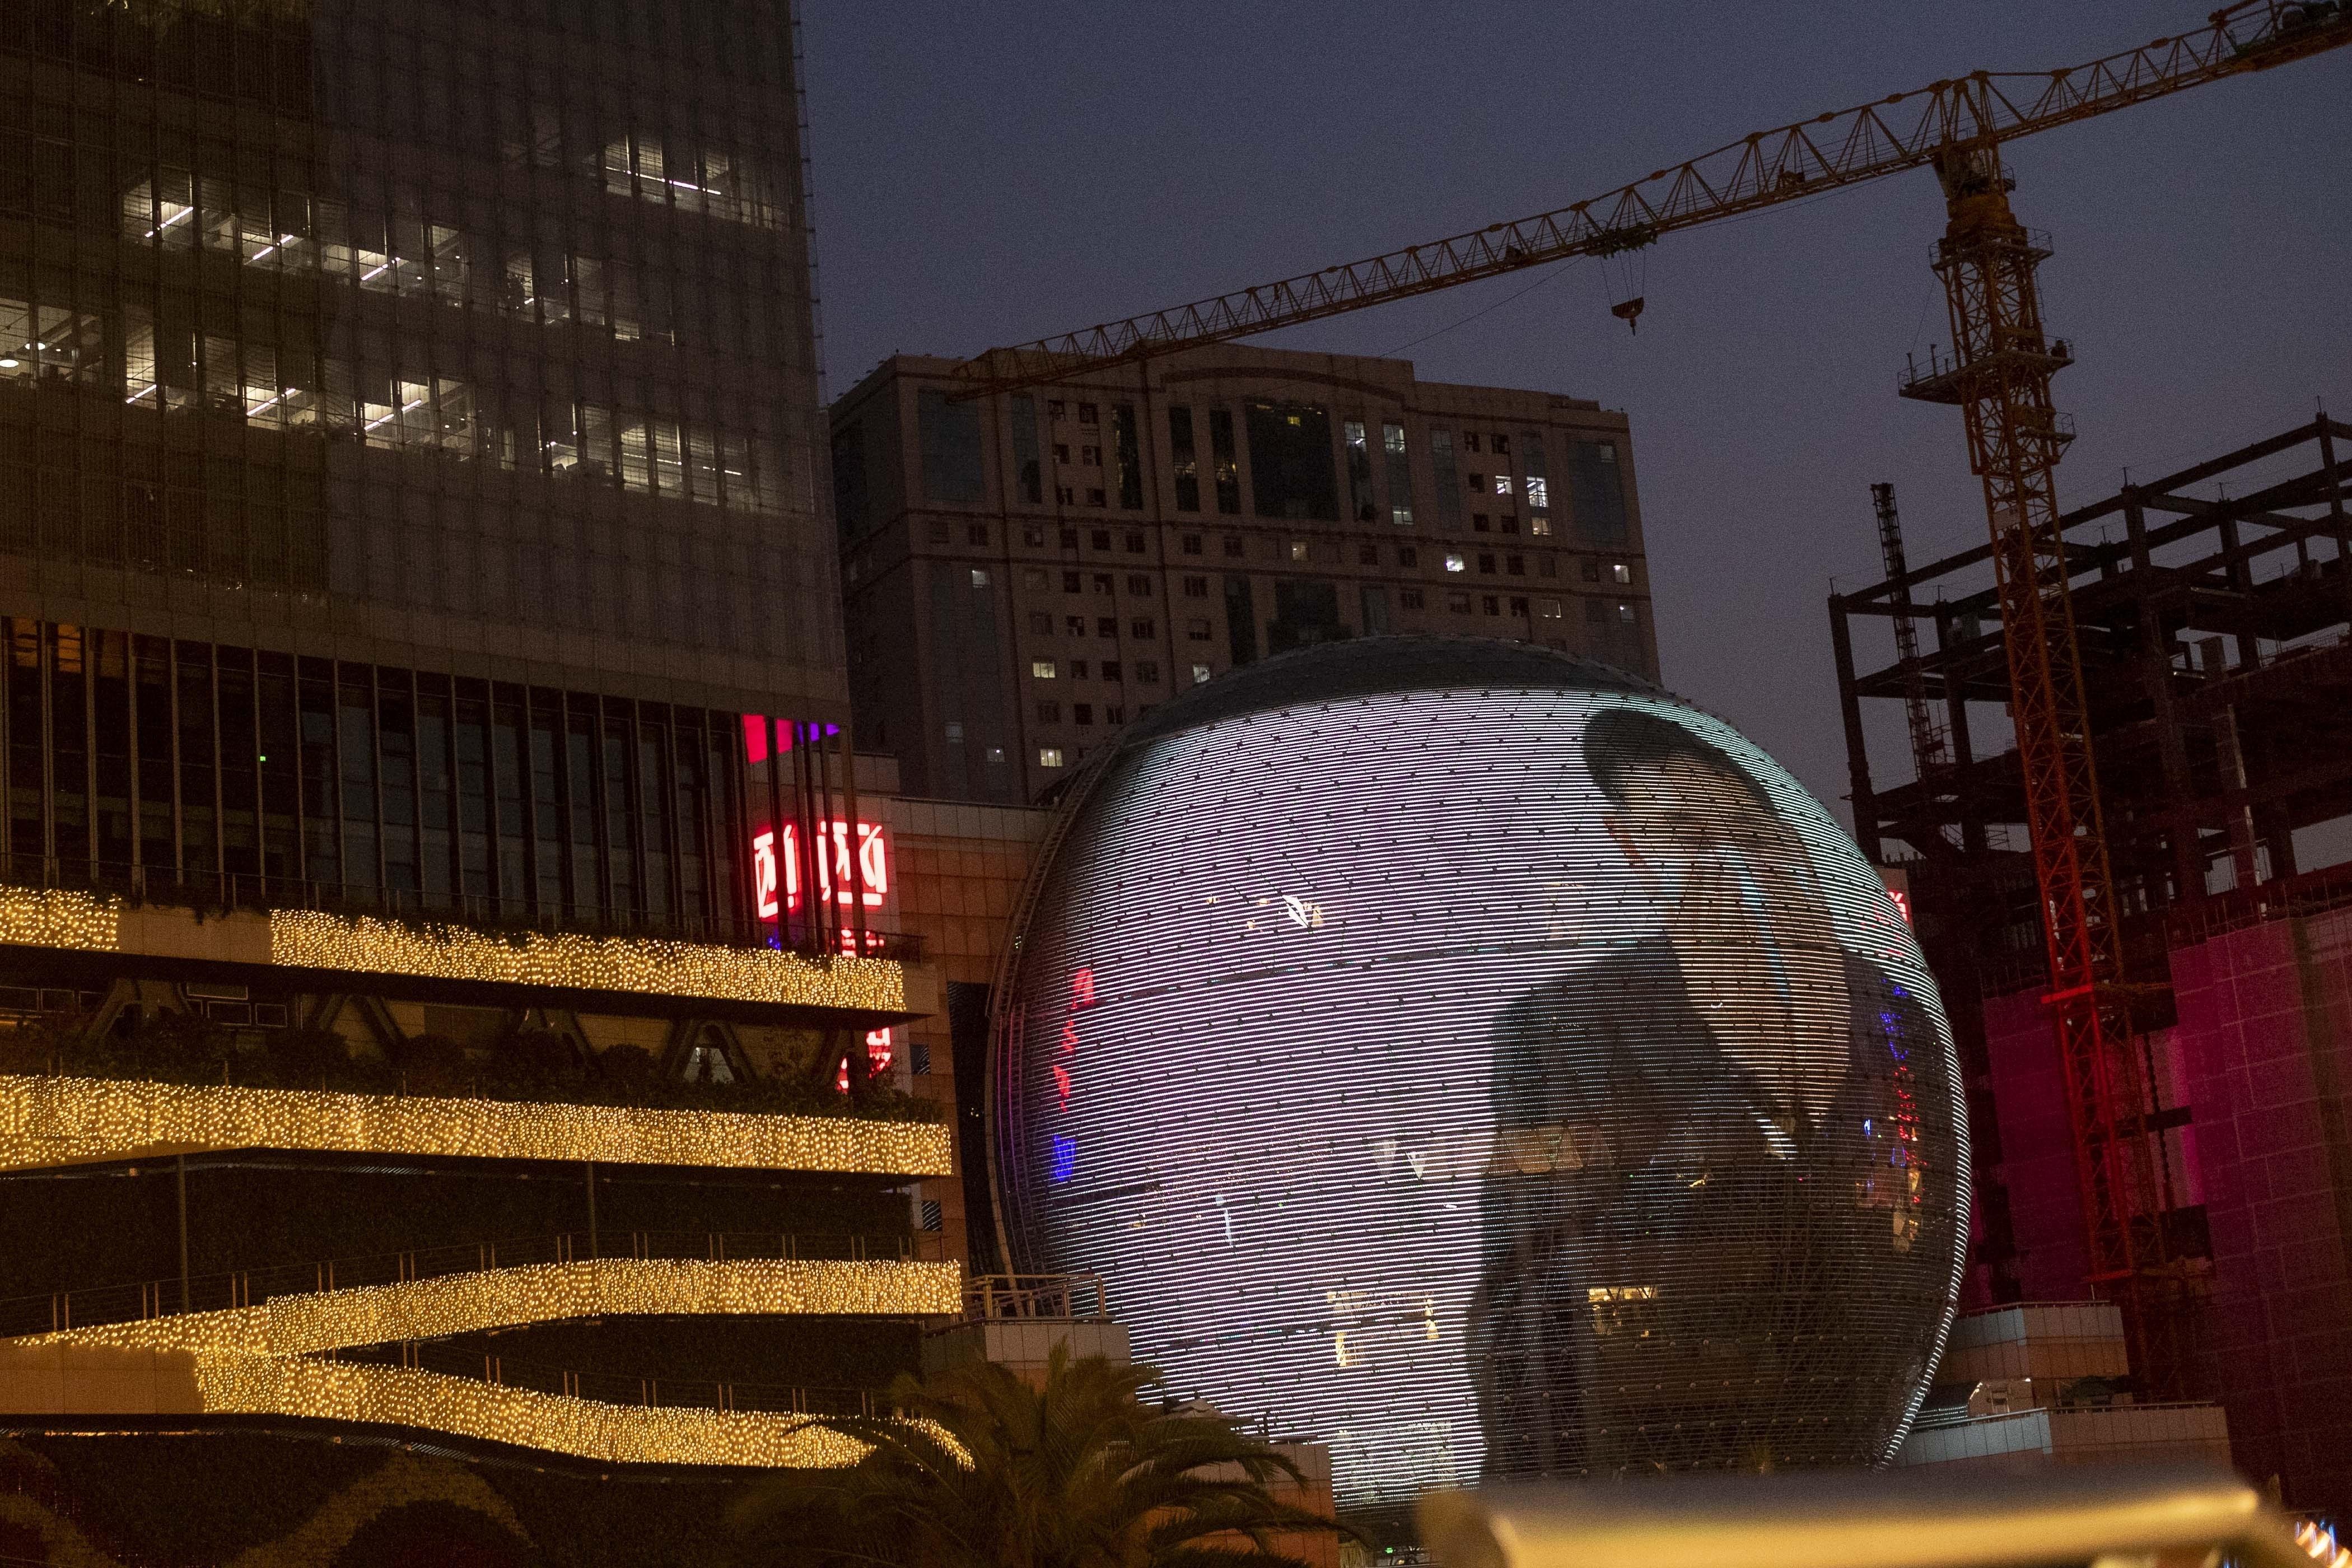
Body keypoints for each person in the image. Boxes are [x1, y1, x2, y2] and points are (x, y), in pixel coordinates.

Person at [1467, 707, 1955, 1481]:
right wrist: (1744, 1109)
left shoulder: (1885, 1017)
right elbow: (1526, 1310)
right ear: (1628, 843)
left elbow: (1909, 1287)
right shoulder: (1557, 1031)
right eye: (1689, 839)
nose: (1727, 871)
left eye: (1752, 840)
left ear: (1793, 847)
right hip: (1634, 1487)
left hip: (1824, 1482)